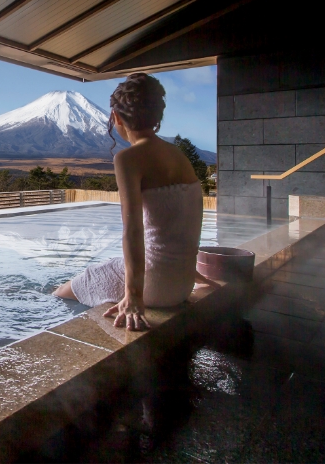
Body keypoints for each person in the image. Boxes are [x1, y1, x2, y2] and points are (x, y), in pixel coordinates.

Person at [54, 73, 214, 331]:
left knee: (62, 291)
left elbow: (133, 230)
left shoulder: (128, 158)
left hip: (153, 287)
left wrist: (134, 296)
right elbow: (186, 223)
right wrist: (187, 270)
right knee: (105, 268)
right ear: (157, 116)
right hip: (182, 284)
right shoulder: (179, 156)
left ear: (117, 117)